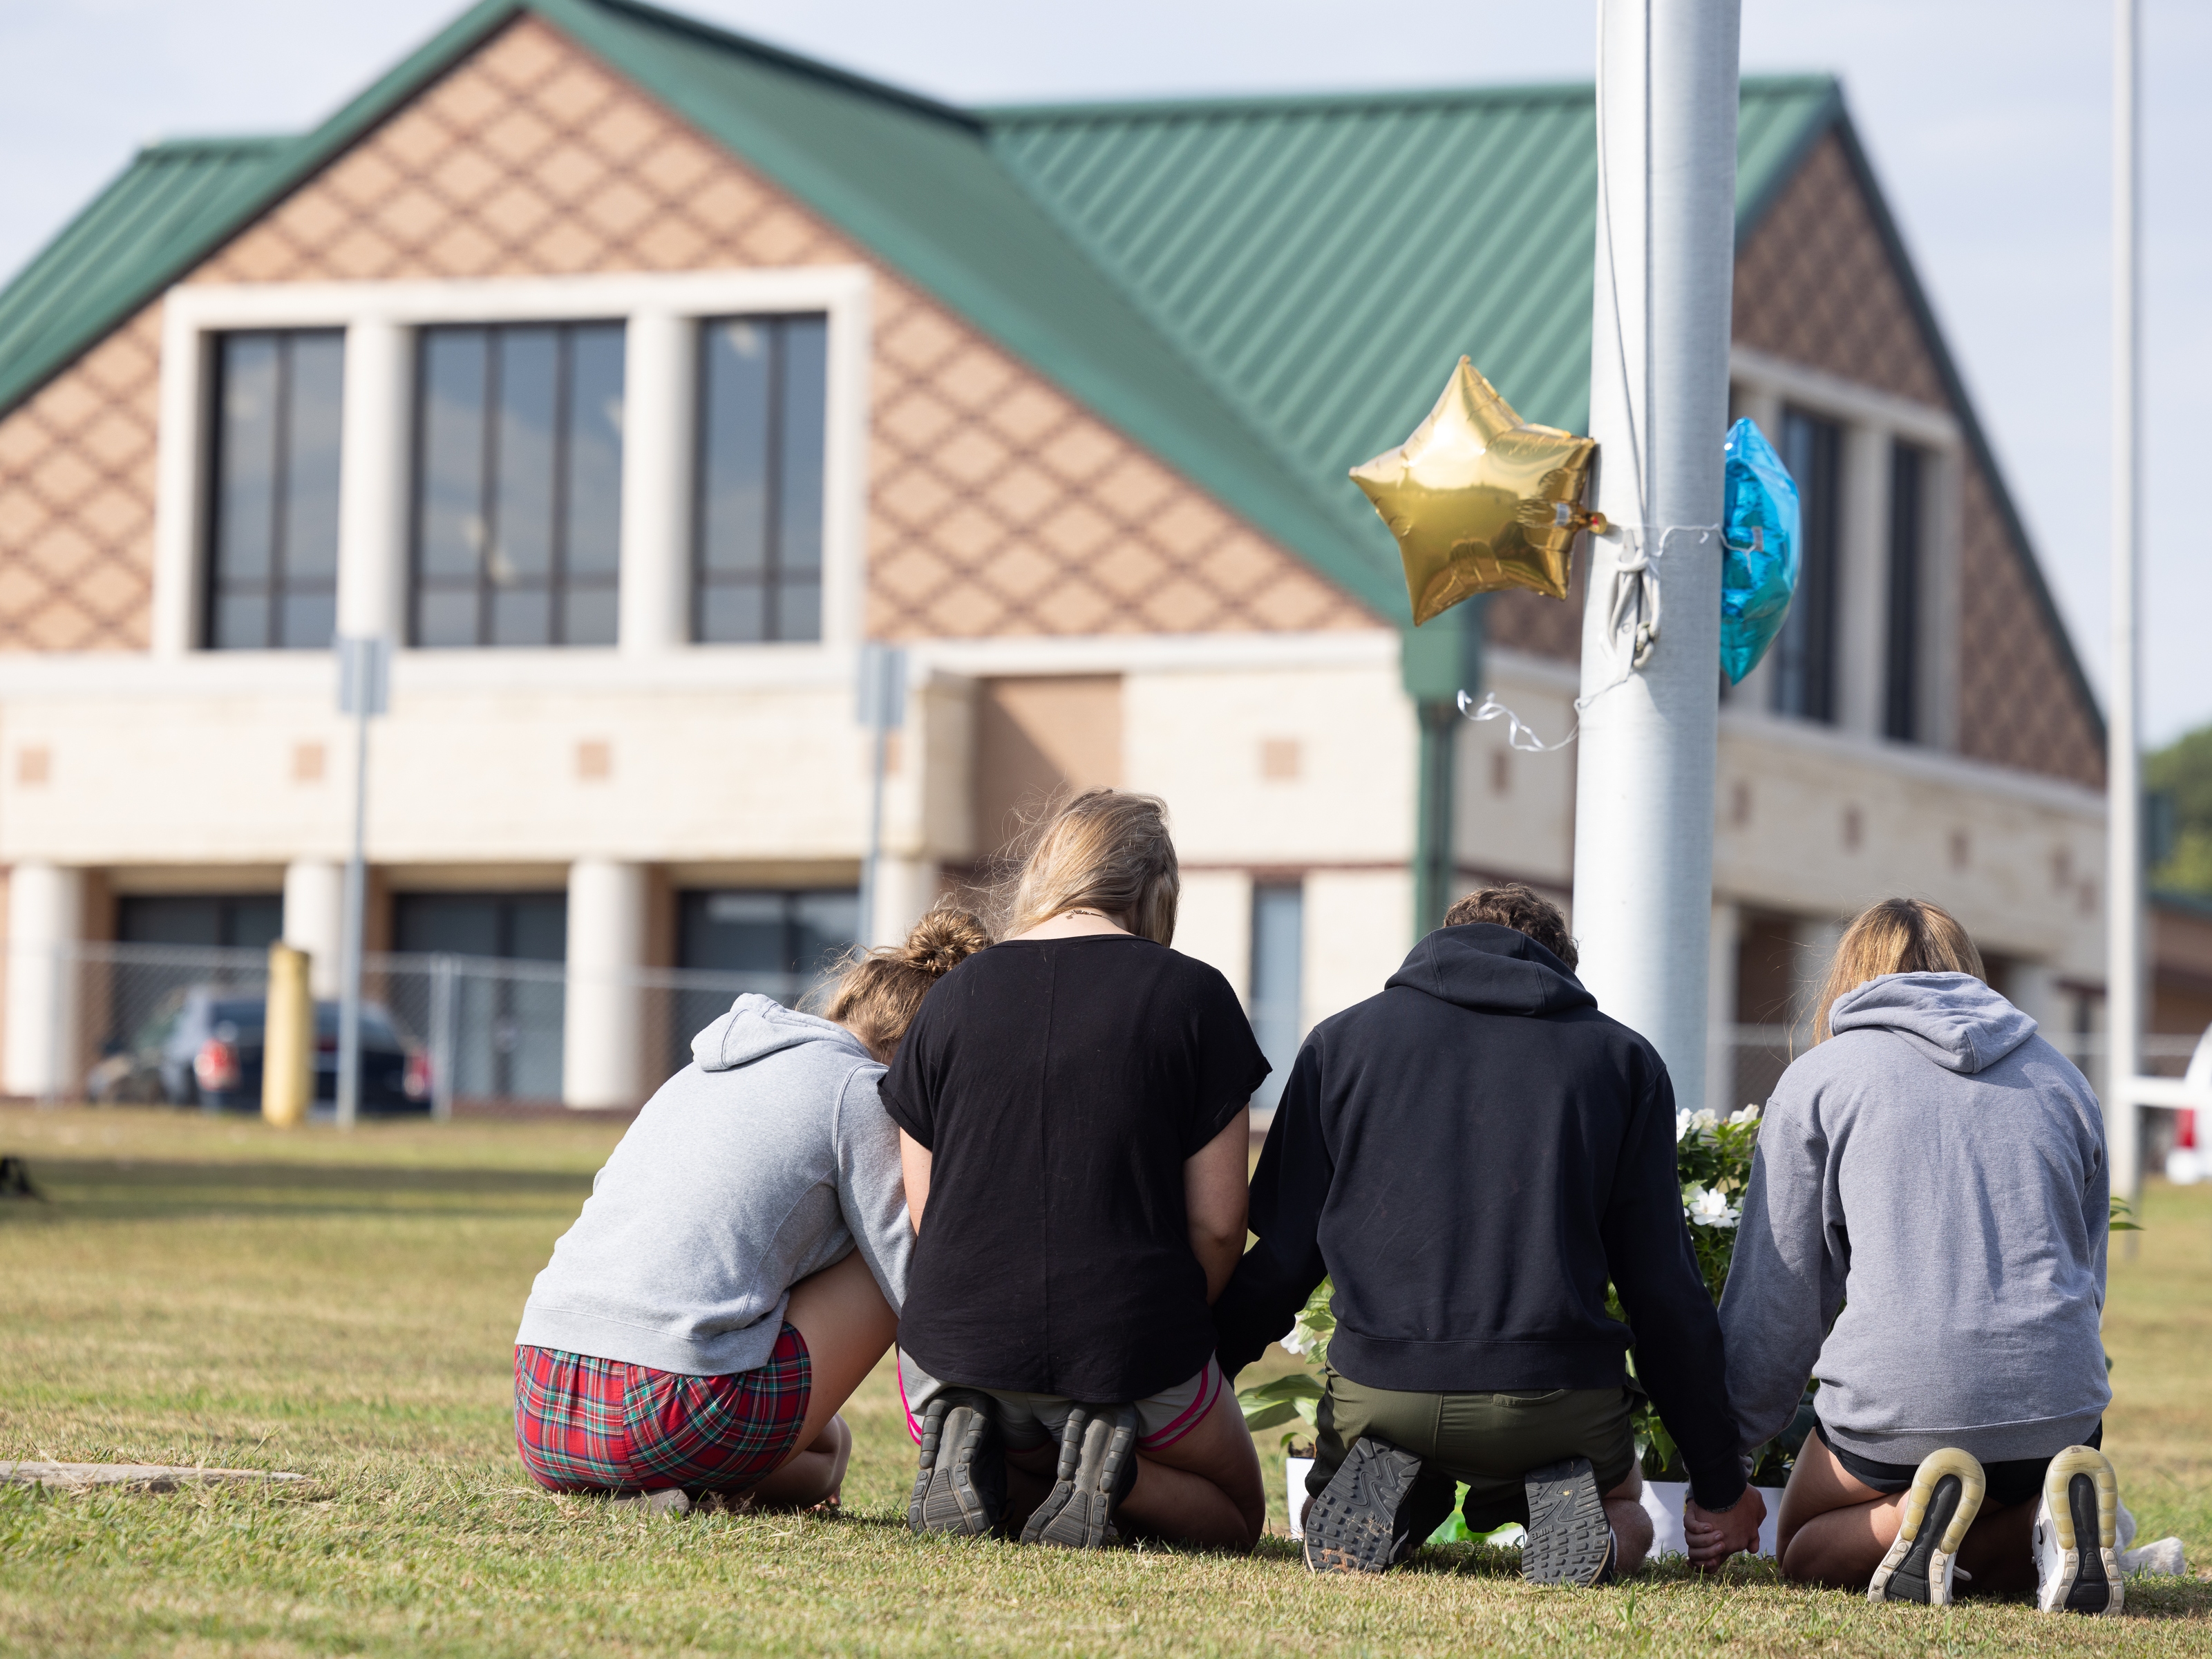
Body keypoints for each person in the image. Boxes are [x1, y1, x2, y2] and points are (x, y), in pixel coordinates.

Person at [1213, 882, 1762, 1582]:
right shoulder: (1622, 1062)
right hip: (1556, 1393)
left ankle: (1392, 1501)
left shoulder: (1341, 1044)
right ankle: (1588, 1526)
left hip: (1385, 1390)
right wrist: (1720, 1485)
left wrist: (1198, 1378)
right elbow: (1661, 1292)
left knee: (1360, 1481)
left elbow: (1283, 1261)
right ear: (1560, 965)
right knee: (1627, 1511)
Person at [885, 788, 1270, 1551]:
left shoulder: (952, 994)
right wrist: (1159, 1327)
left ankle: (982, 1438)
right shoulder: (1194, 995)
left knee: (1016, 1456)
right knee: (1234, 1515)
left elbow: (926, 1208)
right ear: (1156, 889)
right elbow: (1220, 1225)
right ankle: (1112, 1466)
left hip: (948, 1354)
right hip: (1128, 1343)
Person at [1714, 898, 2121, 1613]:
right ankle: (2042, 1524)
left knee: (1802, 1544)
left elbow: (1777, 1297)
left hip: (1901, 1406)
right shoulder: (2063, 1078)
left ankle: (1914, 1515)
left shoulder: (1822, 1078)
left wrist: (1728, 1464)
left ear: (1850, 975)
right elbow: (2086, 1274)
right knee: (2006, 1492)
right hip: (2059, 1410)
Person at [511, 909, 990, 1507]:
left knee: (827, 1455)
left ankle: (661, 1487)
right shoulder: (863, 1092)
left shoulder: (700, 1069)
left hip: (542, 1406)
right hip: (667, 1405)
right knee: (906, 1248)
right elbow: (921, 1291)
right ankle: (952, 1449)